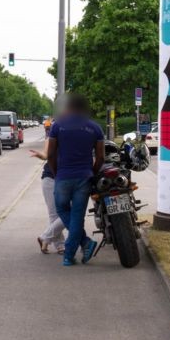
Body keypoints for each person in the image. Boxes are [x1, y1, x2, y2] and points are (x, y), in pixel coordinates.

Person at [47, 94, 104, 266]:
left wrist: (56, 173)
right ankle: (81, 245)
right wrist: (91, 173)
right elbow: (100, 157)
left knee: (63, 210)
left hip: (63, 176)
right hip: (84, 178)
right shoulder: (95, 128)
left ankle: (71, 254)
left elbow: (50, 154)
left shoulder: (58, 126)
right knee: (77, 216)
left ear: (69, 107)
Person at [29, 141, 66, 255]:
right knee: (54, 215)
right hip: (50, 179)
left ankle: (44, 238)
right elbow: (46, 154)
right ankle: (60, 246)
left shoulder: (75, 133)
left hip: (67, 179)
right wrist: (41, 155)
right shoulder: (52, 136)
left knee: (69, 212)